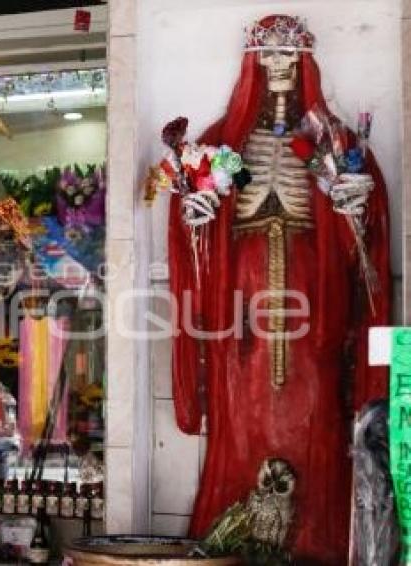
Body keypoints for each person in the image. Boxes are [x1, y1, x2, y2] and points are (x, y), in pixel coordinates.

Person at [167, 15, 390, 563]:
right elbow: (199, 217)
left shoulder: (332, 142)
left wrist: (358, 209)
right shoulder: (227, 146)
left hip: (315, 293)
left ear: (305, 61)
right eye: (267, 55)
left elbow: (369, 232)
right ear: (253, 63)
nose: (278, 65)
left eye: (289, 55)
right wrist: (193, 215)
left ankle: (318, 538)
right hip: (239, 302)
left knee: (315, 397)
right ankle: (235, 532)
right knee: (238, 402)